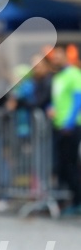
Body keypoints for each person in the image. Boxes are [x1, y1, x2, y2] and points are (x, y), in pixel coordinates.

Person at [48, 45, 81, 216]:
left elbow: (78, 100)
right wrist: (50, 108)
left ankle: (77, 201)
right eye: (54, 57)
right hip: (59, 126)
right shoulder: (57, 77)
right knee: (61, 166)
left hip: (71, 127)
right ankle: (69, 201)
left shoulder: (74, 74)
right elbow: (58, 100)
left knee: (70, 166)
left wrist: (69, 123)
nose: (56, 59)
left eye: (59, 56)